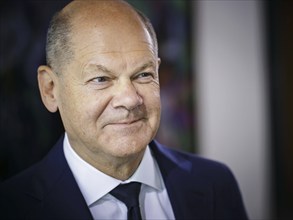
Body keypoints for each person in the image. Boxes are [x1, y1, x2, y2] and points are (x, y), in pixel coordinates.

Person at [0, 1, 248, 219]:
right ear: (50, 89)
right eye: (101, 79)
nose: (130, 99)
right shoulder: (11, 208)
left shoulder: (215, 184)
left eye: (143, 74)